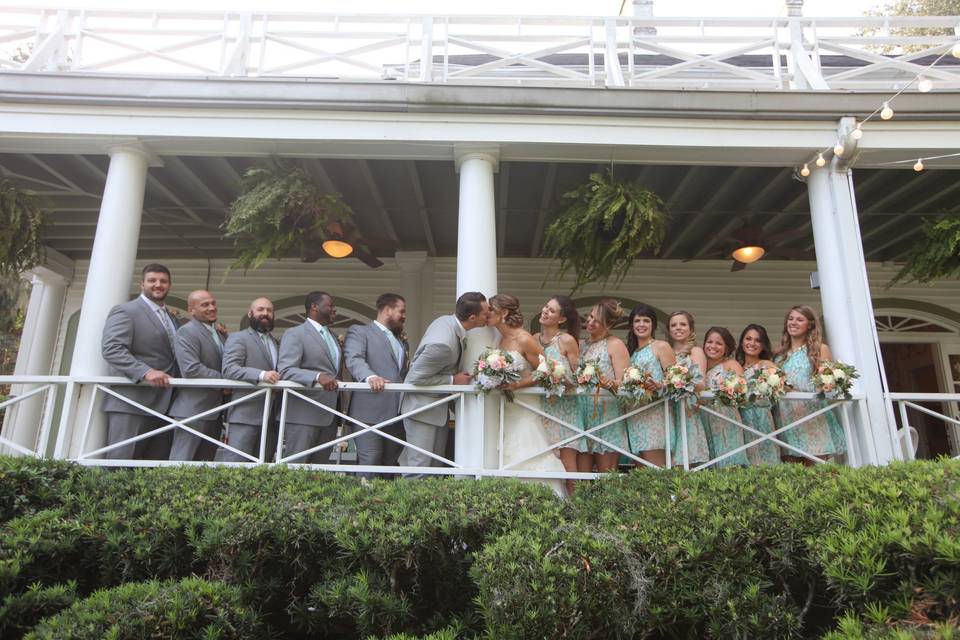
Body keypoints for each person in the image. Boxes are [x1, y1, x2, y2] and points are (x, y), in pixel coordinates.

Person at [399, 291, 489, 477]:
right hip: (422, 411)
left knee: (434, 471)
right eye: (486, 313)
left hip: (436, 409)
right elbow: (414, 378)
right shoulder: (443, 344)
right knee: (419, 471)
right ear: (472, 317)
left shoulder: (447, 321)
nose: (489, 316)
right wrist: (452, 380)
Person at [488, 294, 565, 497]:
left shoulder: (523, 338)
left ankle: (542, 499)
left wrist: (517, 384)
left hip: (525, 406)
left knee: (528, 449)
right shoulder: (498, 339)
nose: (486, 314)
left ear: (503, 313)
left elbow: (546, 369)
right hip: (506, 407)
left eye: (491, 309)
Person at [100, 263, 179, 460]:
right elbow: (112, 349)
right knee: (120, 467)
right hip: (132, 402)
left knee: (150, 470)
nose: (158, 285)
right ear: (141, 284)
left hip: (165, 405)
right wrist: (146, 372)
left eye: (163, 281)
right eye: (152, 280)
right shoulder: (126, 311)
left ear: (169, 285)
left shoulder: (171, 318)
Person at [343, 293, 409, 478]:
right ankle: (363, 505)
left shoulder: (400, 340)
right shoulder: (360, 331)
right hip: (369, 411)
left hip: (397, 414)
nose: (404, 316)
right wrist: (369, 377)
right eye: (401, 311)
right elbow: (354, 358)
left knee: (390, 464)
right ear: (387, 310)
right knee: (370, 461)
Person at [774, 305, 847, 463]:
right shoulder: (778, 355)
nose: (793, 322)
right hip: (786, 416)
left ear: (810, 325)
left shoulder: (819, 349)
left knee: (815, 469)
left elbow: (827, 381)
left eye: (800, 319)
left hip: (812, 414)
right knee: (792, 471)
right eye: (791, 319)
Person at [278, 291, 343, 463]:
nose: (334, 310)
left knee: (320, 471)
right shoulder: (295, 333)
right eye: (330, 306)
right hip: (304, 414)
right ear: (314, 307)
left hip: (329, 414)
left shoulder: (333, 336)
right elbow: (285, 369)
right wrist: (317, 376)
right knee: (296, 468)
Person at [218, 297, 281, 463]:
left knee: (263, 468)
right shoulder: (239, 338)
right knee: (235, 466)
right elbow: (229, 369)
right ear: (250, 313)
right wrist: (261, 375)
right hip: (245, 414)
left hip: (271, 416)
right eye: (260, 309)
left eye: (269, 310)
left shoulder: (275, 343)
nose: (265, 313)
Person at [168, 290, 227, 462]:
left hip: (216, 411)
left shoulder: (218, 333)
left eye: (213, 303)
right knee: (181, 464)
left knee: (204, 465)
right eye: (205, 305)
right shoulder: (187, 332)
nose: (212, 308)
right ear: (191, 310)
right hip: (193, 410)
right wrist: (225, 381)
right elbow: (191, 369)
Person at [532, 295, 581, 494]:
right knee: (546, 459)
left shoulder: (566, 340)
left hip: (565, 408)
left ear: (561, 319)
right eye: (545, 307)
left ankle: (574, 508)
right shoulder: (534, 338)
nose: (545, 311)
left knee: (568, 464)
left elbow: (579, 378)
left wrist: (563, 380)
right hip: (540, 407)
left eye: (552, 310)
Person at [577, 298, 630, 475]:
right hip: (582, 413)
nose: (590, 322)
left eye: (597, 320)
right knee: (581, 476)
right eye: (590, 317)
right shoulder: (581, 345)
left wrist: (610, 383)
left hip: (606, 415)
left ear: (610, 323)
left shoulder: (615, 344)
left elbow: (625, 381)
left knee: (606, 475)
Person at [623, 304, 676, 469]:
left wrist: (659, 385)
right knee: (641, 467)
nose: (641, 324)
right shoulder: (631, 352)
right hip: (634, 413)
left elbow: (675, 381)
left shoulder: (661, 346)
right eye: (637, 320)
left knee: (655, 467)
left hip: (655, 414)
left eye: (646, 320)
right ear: (632, 325)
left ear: (653, 324)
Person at [665, 311, 711, 468]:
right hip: (668, 408)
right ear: (669, 330)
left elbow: (700, 383)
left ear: (691, 329)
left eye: (683, 324)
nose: (678, 328)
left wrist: (677, 382)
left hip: (688, 408)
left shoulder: (695, 351)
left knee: (686, 459)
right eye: (674, 325)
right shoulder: (666, 351)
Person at [702, 326, 750, 468]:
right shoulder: (700, 367)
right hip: (704, 418)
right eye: (709, 342)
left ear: (726, 348)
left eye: (719, 343)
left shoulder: (730, 365)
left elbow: (740, 391)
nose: (713, 346)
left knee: (729, 464)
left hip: (726, 419)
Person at [735, 324, 782, 465]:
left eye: (757, 340)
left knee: (764, 463)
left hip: (760, 419)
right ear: (742, 342)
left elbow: (782, 383)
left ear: (763, 345)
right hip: (739, 420)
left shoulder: (765, 364)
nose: (752, 343)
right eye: (748, 339)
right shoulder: (736, 366)